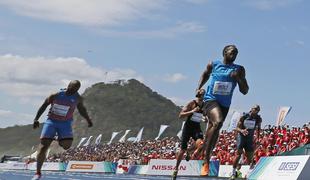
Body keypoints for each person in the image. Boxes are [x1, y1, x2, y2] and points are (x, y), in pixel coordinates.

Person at [196, 45, 249, 176]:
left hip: (224, 104)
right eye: (232, 52)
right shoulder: (214, 64)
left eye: (236, 53)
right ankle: (206, 161)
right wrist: (198, 87)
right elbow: (205, 74)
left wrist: (239, 78)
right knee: (218, 122)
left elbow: (245, 91)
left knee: (214, 131)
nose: (234, 55)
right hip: (210, 99)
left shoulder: (239, 69)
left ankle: (203, 147)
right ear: (224, 53)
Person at [32, 80, 93, 180]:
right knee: (43, 146)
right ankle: (38, 172)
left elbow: (82, 109)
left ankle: (58, 138)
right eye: (72, 88)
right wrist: (36, 119)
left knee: (66, 146)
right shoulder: (56, 95)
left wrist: (88, 119)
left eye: (76, 89)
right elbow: (44, 105)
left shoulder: (77, 98)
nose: (73, 90)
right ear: (68, 86)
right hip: (51, 121)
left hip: (65, 124)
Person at [172, 89, 205, 180]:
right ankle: (176, 169)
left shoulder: (204, 105)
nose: (203, 96)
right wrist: (192, 111)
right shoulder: (192, 103)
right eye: (202, 94)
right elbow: (180, 115)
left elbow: (203, 116)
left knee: (201, 144)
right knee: (182, 150)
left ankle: (189, 151)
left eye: (204, 94)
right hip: (188, 127)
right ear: (198, 95)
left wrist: (205, 119)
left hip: (196, 127)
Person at [231, 105, 262, 179]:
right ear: (251, 109)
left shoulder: (258, 118)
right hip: (241, 136)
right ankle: (233, 172)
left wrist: (258, 138)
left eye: (258, 110)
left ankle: (249, 172)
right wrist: (242, 130)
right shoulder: (244, 116)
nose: (256, 111)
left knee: (250, 158)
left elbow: (258, 129)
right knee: (238, 154)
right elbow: (236, 128)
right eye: (255, 109)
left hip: (249, 138)